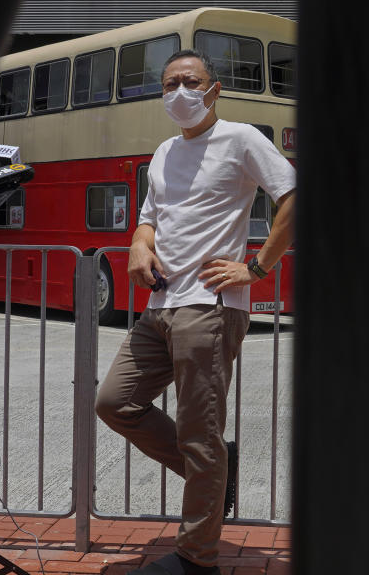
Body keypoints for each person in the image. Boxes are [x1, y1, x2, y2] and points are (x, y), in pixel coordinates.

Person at [94, 48, 296, 575]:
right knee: (116, 402)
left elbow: (293, 196)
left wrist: (255, 268)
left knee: (198, 433)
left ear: (214, 88)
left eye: (190, 80)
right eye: (168, 84)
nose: (178, 91)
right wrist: (139, 245)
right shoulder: (163, 151)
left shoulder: (242, 138)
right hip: (159, 304)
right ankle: (212, 473)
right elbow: (148, 218)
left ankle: (197, 556)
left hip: (209, 307)